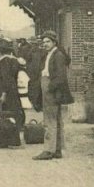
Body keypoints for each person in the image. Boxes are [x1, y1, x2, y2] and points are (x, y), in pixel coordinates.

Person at [33, 31, 75, 160]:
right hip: (48, 88)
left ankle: (48, 150)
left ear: (54, 42)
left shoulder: (58, 55)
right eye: (43, 42)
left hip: (51, 90)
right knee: (56, 119)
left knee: (50, 120)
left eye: (48, 42)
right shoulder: (50, 54)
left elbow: (61, 77)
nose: (45, 44)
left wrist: (50, 88)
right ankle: (57, 149)